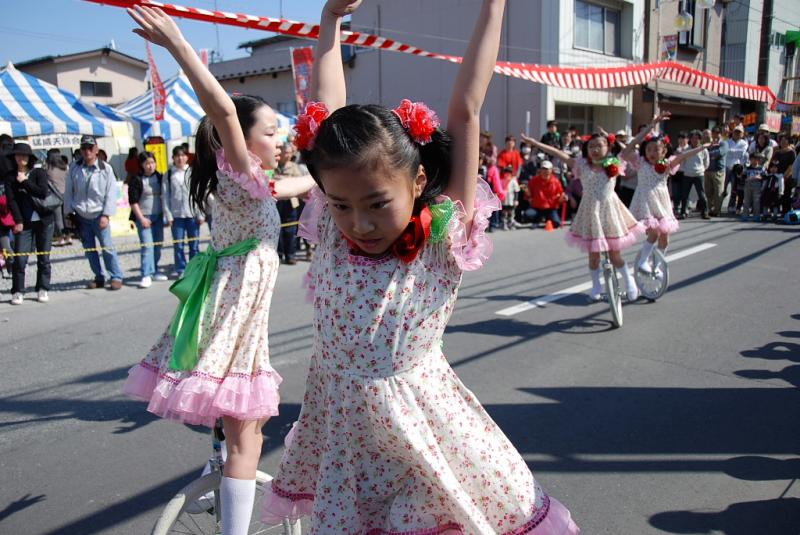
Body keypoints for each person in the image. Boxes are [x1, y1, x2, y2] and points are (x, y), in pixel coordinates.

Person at [261, 1, 579, 533]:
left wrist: (494, 5)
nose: (358, 222)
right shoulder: (334, 233)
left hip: (424, 436)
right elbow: (325, 105)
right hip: (346, 440)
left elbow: (466, 108)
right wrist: (331, 20)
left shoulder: (441, 234)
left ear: (415, 182)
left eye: (376, 203)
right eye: (341, 205)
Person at [123, 6, 315, 535]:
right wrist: (179, 45)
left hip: (232, 315)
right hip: (232, 320)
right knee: (247, 436)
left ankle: (216, 472)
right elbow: (225, 112)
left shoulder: (251, 182)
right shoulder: (237, 167)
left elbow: (285, 189)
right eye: (272, 132)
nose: (280, 140)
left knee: (235, 424)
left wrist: (322, 181)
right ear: (243, 140)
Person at [523, 129, 643, 301]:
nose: (595, 149)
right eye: (591, 146)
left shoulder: (614, 161)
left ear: (608, 147)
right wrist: (535, 144)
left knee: (615, 255)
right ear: (586, 149)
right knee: (593, 255)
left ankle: (629, 280)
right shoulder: (581, 165)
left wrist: (651, 125)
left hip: (610, 211)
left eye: (599, 146)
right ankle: (596, 286)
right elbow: (557, 152)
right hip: (590, 212)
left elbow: (631, 145)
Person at [621, 113, 711, 274]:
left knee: (665, 237)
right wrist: (651, 125)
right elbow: (629, 147)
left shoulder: (667, 164)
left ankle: (657, 265)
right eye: (648, 149)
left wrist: (702, 148)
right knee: (654, 233)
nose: (651, 152)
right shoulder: (640, 161)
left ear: (664, 152)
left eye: (656, 149)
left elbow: (683, 155)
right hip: (646, 202)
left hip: (662, 202)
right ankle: (642, 262)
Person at [64, 135, 124, 290]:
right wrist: (68, 213)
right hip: (81, 215)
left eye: (90, 148)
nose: (87, 151)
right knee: (90, 250)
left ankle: (116, 276)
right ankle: (99, 276)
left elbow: (111, 193)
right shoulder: (74, 168)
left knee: (107, 247)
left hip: (99, 215)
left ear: (96, 150)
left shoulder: (106, 168)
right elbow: (69, 192)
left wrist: (106, 214)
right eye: (84, 148)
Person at [5, 143, 55, 305]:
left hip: (44, 220)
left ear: (30, 157)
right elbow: (11, 201)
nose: (21, 158)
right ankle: (18, 291)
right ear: (14, 157)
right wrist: (18, 221)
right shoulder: (10, 177)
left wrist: (25, 182)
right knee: (20, 258)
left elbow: (43, 192)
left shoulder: (39, 172)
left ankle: (43, 288)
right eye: (18, 155)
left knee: (44, 257)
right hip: (24, 223)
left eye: (25, 155)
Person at [128, 151, 168, 288]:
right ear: (142, 165)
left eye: (152, 162)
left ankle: (154, 270)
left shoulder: (160, 177)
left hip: (158, 216)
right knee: (147, 246)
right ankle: (145, 274)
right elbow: (133, 202)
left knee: (158, 245)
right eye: (147, 163)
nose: (150, 166)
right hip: (144, 217)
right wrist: (141, 219)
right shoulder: (137, 179)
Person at [163, 145, 203, 278]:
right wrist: (168, 215)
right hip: (176, 215)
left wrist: (200, 213)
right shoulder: (168, 174)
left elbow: (199, 193)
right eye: (177, 156)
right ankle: (180, 269)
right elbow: (165, 195)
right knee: (178, 245)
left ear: (187, 157)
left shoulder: (193, 172)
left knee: (194, 245)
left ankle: (194, 268)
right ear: (173, 158)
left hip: (192, 214)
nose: (180, 158)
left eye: (183, 155)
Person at [275, 142, 308, 264]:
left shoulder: (294, 166)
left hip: (290, 201)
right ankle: (278, 254)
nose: (288, 155)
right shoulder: (274, 164)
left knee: (290, 229)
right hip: (277, 201)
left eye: (290, 153)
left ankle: (291, 255)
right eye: (286, 153)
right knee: (277, 228)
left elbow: (299, 181)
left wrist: (284, 180)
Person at [675, 130, 710, 219]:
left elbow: (706, 162)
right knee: (685, 195)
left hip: (699, 174)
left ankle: (705, 212)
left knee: (701, 194)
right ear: (690, 139)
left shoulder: (704, 150)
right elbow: (682, 162)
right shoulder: (686, 150)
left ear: (700, 139)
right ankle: (683, 212)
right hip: (687, 175)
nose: (695, 140)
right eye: (693, 138)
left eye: (697, 138)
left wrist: (702, 169)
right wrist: (685, 169)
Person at [525, 160, 567, 228]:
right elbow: (528, 195)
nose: (545, 171)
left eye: (547, 169)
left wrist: (563, 198)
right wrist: (527, 194)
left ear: (551, 170)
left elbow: (560, 196)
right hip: (537, 207)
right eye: (543, 169)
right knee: (528, 215)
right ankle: (537, 220)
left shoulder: (556, 182)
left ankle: (548, 219)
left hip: (551, 208)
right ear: (540, 170)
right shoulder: (533, 181)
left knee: (556, 224)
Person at [46, 149, 71, 246]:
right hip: (66, 194)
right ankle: (69, 237)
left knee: (58, 218)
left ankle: (61, 238)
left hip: (55, 195)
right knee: (66, 217)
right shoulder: (64, 167)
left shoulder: (48, 168)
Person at [725, 126, 749, 214]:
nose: (737, 134)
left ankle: (731, 206)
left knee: (734, 189)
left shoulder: (744, 143)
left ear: (742, 134)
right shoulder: (727, 141)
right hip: (726, 167)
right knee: (722, 188)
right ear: (733, 132)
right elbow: (726, 152)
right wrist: (734, 152)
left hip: (737, 168)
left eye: (739, 132)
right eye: (736, 132)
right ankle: (718, 205)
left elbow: (742, 153)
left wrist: (731, 152)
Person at [704, 127, 727, 217]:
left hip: (718, 171)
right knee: (708, 191)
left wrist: (709, 154)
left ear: (720, 134)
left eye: (717, 133)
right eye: (714, 133)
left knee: (718, 192)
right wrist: (710, 154)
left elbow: (720, 153)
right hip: (708, 170)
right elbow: (704, 152)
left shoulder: (724, 143)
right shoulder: (709, 144)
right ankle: (710, 209)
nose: (715, 135)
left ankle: (717, 211)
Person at [741, 153, 765, 221]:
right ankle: (745, 215)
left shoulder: (761, 168)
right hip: (748, 185)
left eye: (756, 159)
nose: (754, 161)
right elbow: (743, 177)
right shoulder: (747, 168)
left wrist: (759, 177)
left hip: (757, 186)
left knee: (756, 201)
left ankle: (756, 216)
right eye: (752, 159)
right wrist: (746, 179)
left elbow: (765, 177)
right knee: (746, 201)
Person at [500, 164, 520, 229]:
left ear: (511, 174)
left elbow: (516, 191)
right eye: (506, 173)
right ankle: (504, 224)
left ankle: (510, 224)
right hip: (504, 200)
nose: (507, 174)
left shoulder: (513, 181)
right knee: (504, 212)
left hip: (511, 199)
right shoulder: (502, 180)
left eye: (509, 173)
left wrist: (516, 200)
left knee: (511, 212)